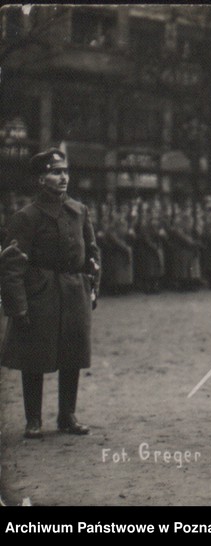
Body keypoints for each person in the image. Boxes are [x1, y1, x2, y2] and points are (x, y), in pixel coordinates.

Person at [0, 148, 101, 438]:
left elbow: (93, 252)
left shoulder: (80, 211)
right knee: (35, 356)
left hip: (74, 291)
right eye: (56, 172)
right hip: (41, 293)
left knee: (74, 354)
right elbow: (11, 265)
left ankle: (67, 416)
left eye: (65, 171)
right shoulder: (27, 217)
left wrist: (93, 287)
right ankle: (33, 420)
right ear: (41, 179)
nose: (63, 177)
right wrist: (17, 307)